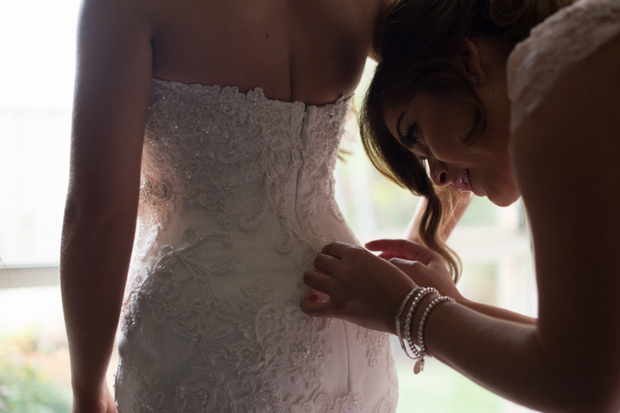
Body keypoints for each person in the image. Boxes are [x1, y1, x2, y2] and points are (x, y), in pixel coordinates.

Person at [60, 0, 402, 412]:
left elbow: (97, 219)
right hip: (348, 322)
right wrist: (430, 233)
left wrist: (88, 390)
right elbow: (460, 74)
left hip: (206, 340)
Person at [301, 0, 620, 411]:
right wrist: (455, 306)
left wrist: (401, 309)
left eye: (415, 132)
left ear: (464, 58)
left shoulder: (553, 91)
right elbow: (598, 360)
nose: (437, 178)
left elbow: (583, 389)